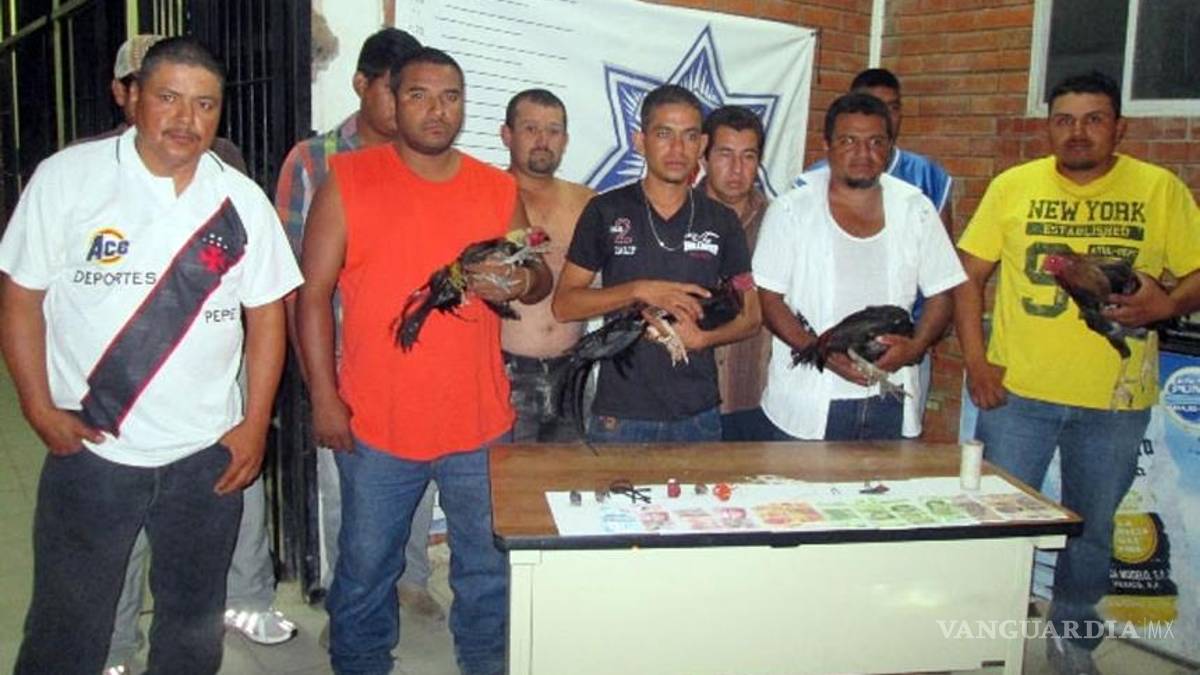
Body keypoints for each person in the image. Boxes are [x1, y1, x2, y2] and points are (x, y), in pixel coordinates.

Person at [0, 37, 301, 674]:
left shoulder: (239, 200)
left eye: (205, 104)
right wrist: (36, 406)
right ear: (133, 98)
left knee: (191, 627)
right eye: (168, 98)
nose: (186, 119)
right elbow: (21, 298)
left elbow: (267, 314)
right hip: (93, 447)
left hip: (204, 456)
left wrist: (254, 425)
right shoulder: (69, 179)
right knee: (65, 626)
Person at [297, 47, 550, 675]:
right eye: (419, 95)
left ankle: (485, 663)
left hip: (479, 421)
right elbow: (311, 296)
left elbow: (537, 275)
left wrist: (519, 282)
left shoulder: (497, 187)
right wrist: (323, 397)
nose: (437, 110)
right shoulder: (349, 180)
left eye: (450, 97)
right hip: (376, 422)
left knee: (486, 568)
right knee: (365, 569)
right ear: (391, 99)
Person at [953, 71, 1200, 675]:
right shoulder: (1014, 186)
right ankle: (982, 642)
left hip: (1114, 400)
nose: (1078, 132)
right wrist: (977, 363)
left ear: (1119, 127)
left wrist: (1167, 305)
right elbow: (966, 275)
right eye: (1064, 120)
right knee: (997, 525)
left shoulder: (1158, 189)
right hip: (1017, 395)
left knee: (1091, 531)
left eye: (1094, 119)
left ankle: (1073, 641)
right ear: (1048, 127)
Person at [275, 27, 445, 627]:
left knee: (420, 479)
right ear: (361, 85)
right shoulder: (313, 161)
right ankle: (350, 607)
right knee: (349, 495)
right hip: (345, 365)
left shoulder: (428, 163)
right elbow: (293, 283)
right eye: (396, 90)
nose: (407, 105)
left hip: (419, 361)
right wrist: (318, 385)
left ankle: (411, 579)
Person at [553, 85, 761, 443]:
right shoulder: (606, 211)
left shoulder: (722, 221)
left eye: (689, 136)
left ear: (702, 144)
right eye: (664, 134)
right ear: (640, 141)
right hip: (620, 415)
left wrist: (703, 339)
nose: (678, 149)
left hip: (698, 414)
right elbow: (564, 305)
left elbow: (751, 316)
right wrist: (639, 290)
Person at [754, 93, 964, 441]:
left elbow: (942, 292)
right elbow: (769, 300)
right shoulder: (791, 210)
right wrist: (821, 353)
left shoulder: (916, 209)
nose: (863, 153)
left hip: (891, 397)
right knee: (798, 480)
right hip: (807, 401)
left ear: (890, 147)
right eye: (848, 141)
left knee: (887, 479)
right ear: (827, 145)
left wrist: (914, 349)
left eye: (875, 142)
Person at [498, 88, 594, 442]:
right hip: (503, 372)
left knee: (572, 475)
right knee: (506, 474)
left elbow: (611, 280)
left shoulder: (587, 202)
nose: (543, 140)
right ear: (507, 134)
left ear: (565, 140)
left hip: (573, 373)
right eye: (531, 129)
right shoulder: (486, 195)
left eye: (553, 130)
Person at [699, 105, 773, 441]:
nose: (737, 169)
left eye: (748, 156)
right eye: (725, 154)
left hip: (757, 396)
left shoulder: (782, 222)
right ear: (703, 156)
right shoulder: (676, 218)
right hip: (685, 401)